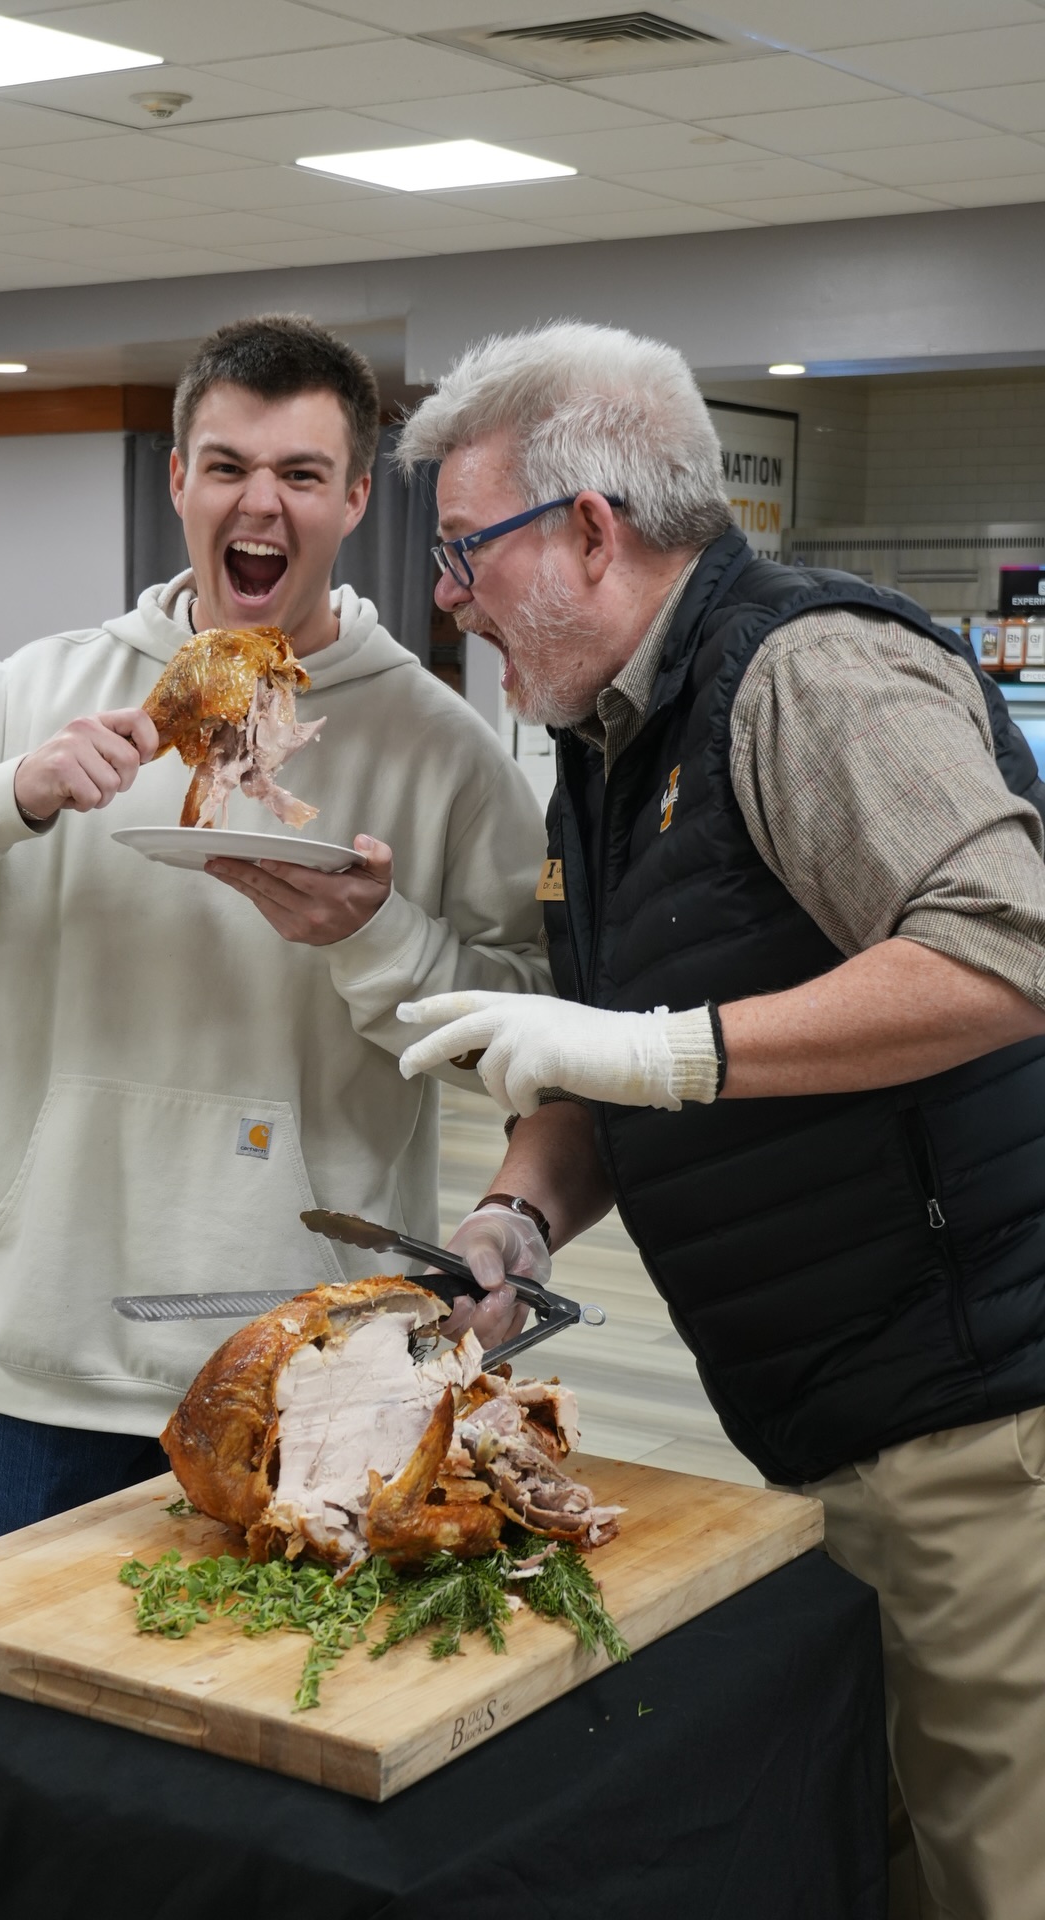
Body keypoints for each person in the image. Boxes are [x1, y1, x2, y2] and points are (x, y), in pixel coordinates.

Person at [390, 320, 1045, 1920]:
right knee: (879, 1849)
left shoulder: (807, 673)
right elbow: (610, 1066)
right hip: (825, 1416)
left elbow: (1006, 947)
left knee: (999, 1870)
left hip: (979, 1421)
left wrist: (664, 1053)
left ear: (589, 530)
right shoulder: (608, 744)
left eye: (466, 551)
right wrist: (515, 1221)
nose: (449, 598)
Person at [0, 314, 550, 1548]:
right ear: (178, 480)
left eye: (301, 474)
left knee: (285, 1677)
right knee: (28, 1676)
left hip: (316, 1365)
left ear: (354, 499)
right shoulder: (47, 690)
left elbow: (531, 1039)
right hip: (55, 1358)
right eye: (228, 466)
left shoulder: (443, 748)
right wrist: (10, 791)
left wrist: (378, 936)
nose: (261, 502)